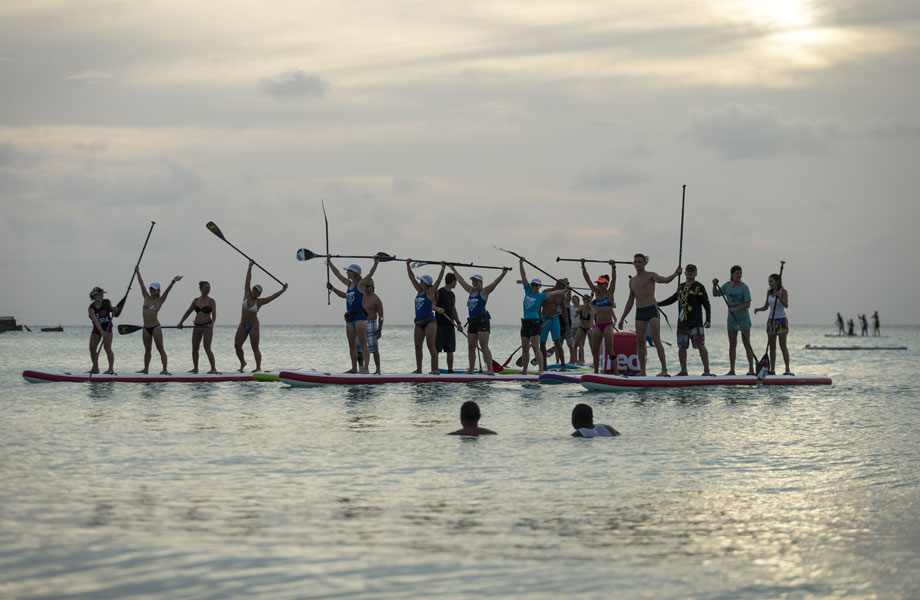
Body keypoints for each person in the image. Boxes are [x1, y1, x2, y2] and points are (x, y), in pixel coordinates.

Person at [618, 254, 681, 376]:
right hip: (640, 311)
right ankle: (642, 371)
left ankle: (664, 370)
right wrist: (622, 318)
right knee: (640, 340)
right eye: (635, 262)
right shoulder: (632, 281)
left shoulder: (650, 275)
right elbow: (630, 301)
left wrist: (675, 273)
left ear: (644, 263)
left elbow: (665, 280)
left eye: (639, 262)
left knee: (656, 338)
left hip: (652, 309)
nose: (637, 264)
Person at [449, 265, 510, 375]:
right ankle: (471, 369)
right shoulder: (471, 291)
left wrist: (503, 274)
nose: (474, 283)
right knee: (471, 346)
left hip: (482, 321)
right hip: (472, 322)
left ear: (481, 282)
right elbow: (461, 280)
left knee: (484, 345)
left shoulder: (484, 292)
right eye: (473, 281)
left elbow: (494, 283)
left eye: (476, 281)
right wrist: (453, 269)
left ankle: (490, 369)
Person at [658, 264, 712, 376]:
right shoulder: (680, 287)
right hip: (682, 323)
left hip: (696, 322)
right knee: (682, 347)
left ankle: (706, 371)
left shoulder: (699, 287)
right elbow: (672, 299)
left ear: (696, 273)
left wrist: (708, 319)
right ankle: (683, 371)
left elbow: (706, 304)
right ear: (685, 273)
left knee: (700, 345)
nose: (690, 272)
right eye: (688, 271)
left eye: (693, 271)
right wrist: (658, 304)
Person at [328, 257, 380, 374]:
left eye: (349, 271)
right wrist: (329, 261)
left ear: (354, 273)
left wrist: (375, 263)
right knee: (351, 344)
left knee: (363, 343)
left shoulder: (361, 284)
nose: (347, 273)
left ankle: (365, 369)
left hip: (360, 317)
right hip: (350, 317)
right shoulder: (348, 284)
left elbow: (370, 273)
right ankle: (354, 368)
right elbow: (337, 274)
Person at [235, 260, 288, 372]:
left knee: (255, 347)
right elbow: (248, 280)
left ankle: (258, 368)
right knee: (237, 346)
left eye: (257, 291)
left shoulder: (260, 302)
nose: (254, 292)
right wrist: (250, 266)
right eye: (254, 290)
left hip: (254, 326)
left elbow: (273, 296)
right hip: (242, 324)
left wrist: (283, 290)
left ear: (259, 293)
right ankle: (242, 363)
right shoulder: (246, 294)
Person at [518, 257, 566, 375]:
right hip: (525, 323)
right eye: (533, 284)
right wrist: (521, 263)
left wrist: (564, 290)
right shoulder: (528, 290)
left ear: (539, 286)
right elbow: (523, 276)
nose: (534, 286)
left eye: (536, 285)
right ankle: (524, 370)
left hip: (534, 322)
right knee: (525, 348)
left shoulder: (541, 296)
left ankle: (540, 370)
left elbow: (554, 292)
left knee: (535, 347)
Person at [135, 267, 182, 375]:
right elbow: (141, 284)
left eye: (154, 289)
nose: (151, 291)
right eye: (151, 289)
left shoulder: (160, 300)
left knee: (160, 349)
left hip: (156, 327)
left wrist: (173, 282)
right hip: (146, 328)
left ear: (158, 291)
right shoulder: (146, 297)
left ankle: (165, 369)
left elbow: (167, 291)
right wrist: (138, 273)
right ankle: (146, 369)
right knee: (147, 350)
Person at [712, 265, 756, 376]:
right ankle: (732, 370)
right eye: (736, 273)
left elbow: (748, 304)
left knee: (747, 344)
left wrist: (735, 308)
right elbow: (715, 294)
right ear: (731, 274)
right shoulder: (727, 286)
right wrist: (714, 285)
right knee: (732, 344)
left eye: (740, 273)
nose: (739, 275)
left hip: (743, 319)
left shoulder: (744, 287)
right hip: (732, 320)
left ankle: (751, 369)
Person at [406, 260, 446, 374]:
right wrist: (407, 265)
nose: (419, 282)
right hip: (418, 322)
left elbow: (438, 281)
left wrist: (442, 268)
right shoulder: (419, 290)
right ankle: (419, 369)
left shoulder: (430, 292)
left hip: (430, 322)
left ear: (425, 283)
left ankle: (435, 369)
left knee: (430, 346)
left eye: (421, 281)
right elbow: (411, 278)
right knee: (418, 346)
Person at [582, 259, 620, 375]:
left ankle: (616, 373)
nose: (598, 285)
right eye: (597, 283)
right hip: (598, 325)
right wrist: (583, 266)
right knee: (595, 349)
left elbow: (614, 280)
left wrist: (613, 268)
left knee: (610, 349)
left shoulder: (610, 293)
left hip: (608, 325)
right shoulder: (596, 293)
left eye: (600, 283)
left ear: (606, 284)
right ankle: (596, 372)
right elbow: (588, 280)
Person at [753, 273, 792, 375]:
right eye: (768, 281)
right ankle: (772, 370)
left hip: (781, 321)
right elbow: (766, 306)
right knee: (772, 347)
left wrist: (779, 296)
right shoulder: (769, 292)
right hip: (771, 321)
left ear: (777, 282)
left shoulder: (783, 291)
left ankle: (787, 369)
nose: (769, 283)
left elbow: (786, 305)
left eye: (771, 281)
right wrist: (759, 309)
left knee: (783, 346)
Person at [177, 281, 218, 373]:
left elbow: (214, 314)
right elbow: (188, 312)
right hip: (196, 326)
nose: (208, 289)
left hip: (207, 326)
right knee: (195, 347)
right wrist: (181, 322)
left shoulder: (211, 301)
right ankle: (195, 368)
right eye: (206, 288)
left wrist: (212, 323)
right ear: (201, 289)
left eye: (209, 288)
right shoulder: (196, 300)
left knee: (207, 347)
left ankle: (213, 369)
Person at [435, 273, 464, 373]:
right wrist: (438, 308)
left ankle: (450, 370)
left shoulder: (452, 294)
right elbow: (431, 305)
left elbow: (453, 309)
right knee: (437, 349)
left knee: (450, 349)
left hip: (450, 325)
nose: (456, 283)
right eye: (456, 282)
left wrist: (459, 323)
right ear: (452, 281)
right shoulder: (439, 292)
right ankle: (434, 369)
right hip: (439, 325)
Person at [540, 279, 571, 372]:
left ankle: (563, 366)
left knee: (557, 342)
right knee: (542, 343)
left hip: (554, 318)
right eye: (563, 286)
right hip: (544, 318)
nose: (564, 288)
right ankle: (544, 366)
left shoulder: (561, 295)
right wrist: (539, 320)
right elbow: (539, 306)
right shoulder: (546, 292)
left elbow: (564, 310)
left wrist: (567, 324)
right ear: (558, 285)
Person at [88, 286, 118, 374]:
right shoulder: (91, 308)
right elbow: (96, 321)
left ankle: (111, 369)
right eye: (100, 295)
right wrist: (101, 331)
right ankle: (95, 368)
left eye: (102, 294)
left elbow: (113, 310)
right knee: (92, 348)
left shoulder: (107, 302)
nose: (102, 296)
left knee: (107, 347)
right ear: (94, 296)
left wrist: (115, 309)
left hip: (108, 327)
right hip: (97, 328)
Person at [573, 294, 593, 366]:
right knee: (576, 344)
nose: (588, 304)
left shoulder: (591, 311)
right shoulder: (581, 307)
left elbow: (591, 321)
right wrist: (576, 313)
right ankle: (576, 361)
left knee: (592, 345)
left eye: (589, 302)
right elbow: (576, 313)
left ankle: (595, 360)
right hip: (581, 328)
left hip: (589, 329)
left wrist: (590, 329)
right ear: (584, 301)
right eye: (586, 302)